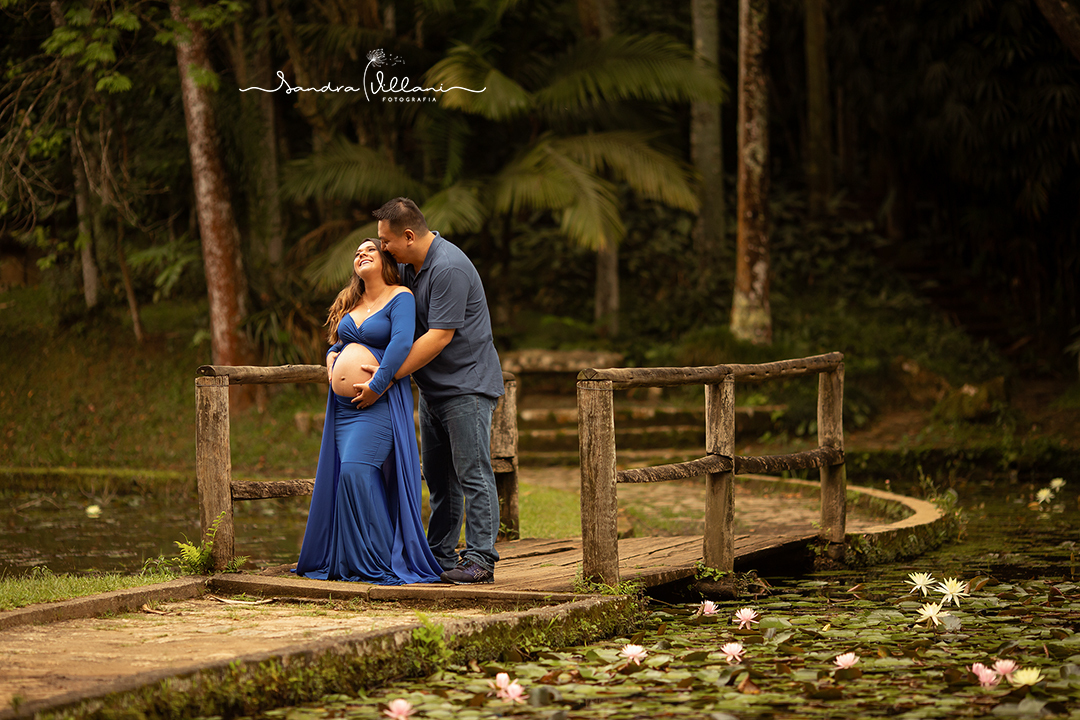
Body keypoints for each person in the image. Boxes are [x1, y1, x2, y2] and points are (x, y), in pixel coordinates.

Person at [352, 198, 504, 585]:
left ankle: (481, 561)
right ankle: (439, 554)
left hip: (466, 386)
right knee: (440, 480)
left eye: (385, 241)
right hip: (433, 390)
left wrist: (382, 379)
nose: (382, 247)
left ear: (408, 235)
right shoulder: (409, 266)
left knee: (473, 473)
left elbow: (438, 337)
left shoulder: (448, 267)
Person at [294, 239, 443, 585]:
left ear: (385, 259)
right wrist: (332, 356)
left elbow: (402, 343)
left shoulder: (400, 297)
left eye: (369, 250)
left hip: (379, 404)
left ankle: (380, 559)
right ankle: (353, 560)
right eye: (357, 253)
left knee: (356, 471)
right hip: (344, 411)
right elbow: (341, 343)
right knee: (350, 475)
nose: (361, 254)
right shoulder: (352, 301)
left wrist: (377, 386)